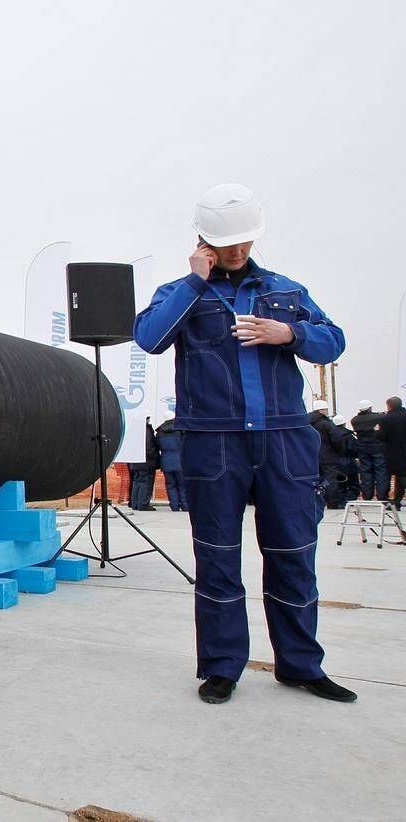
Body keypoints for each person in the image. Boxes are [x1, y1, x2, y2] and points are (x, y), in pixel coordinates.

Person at [134, 182, 356, 704]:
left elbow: (334, 340)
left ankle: (300, 664)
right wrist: (195, 281)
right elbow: (149, 338)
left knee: (293, 554)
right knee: (217, 557)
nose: (237, 252)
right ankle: (222, 666)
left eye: (244, 243)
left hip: (284, 440)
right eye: (227, 244)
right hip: (213, 444)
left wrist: (290, 335)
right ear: (203, 240)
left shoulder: (287, 292)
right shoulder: (181, 292)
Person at [308, 401, 345, 509]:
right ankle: (333, 502)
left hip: (311, 457)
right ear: (322, 410)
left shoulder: (307, 423)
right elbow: (337, 439)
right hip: (328, 457)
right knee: (330, 480)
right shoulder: (326, 424)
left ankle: (317, 501)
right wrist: (339, 451)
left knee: (314, 480)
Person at [350, 400, 389, 501]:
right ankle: (382, 497)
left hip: (363, 449)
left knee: (366, 472)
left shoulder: (355, 420)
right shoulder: (378, 417)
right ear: (370, 408)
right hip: (378, 448)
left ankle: (367, 496)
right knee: (381, 472)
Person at [155, 410, 186, 511]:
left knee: (170, 485)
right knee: (182, 485)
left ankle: (174, 506)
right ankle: (185, 506)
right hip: (180, 462)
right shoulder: (180, 430)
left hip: (166, 462)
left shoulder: (159, 433)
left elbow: (157, 446)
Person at [128, 418, 160, 511]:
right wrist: (156, 457)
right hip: (146, 462)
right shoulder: (145, 430)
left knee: (136, 482)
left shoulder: (133, 429)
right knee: (145, 483)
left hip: (135, 461)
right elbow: (149, 447)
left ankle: (135, 504)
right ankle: (143, 504)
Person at [382, 396, 406, 510]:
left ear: (389, 406)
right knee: (400, 477)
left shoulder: (387, 418)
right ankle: (396, 501)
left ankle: (396, 501)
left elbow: (382, 436)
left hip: (395, 451)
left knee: (400, 476)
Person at [331, 415, 361, 505]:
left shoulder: (331, 435)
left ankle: (340, 501)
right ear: (344, 424)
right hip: (349, 462)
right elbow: (354, 449)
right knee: (354, 484)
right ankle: (348, 500)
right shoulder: (348, 435)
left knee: (340, 485)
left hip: (335, 463)